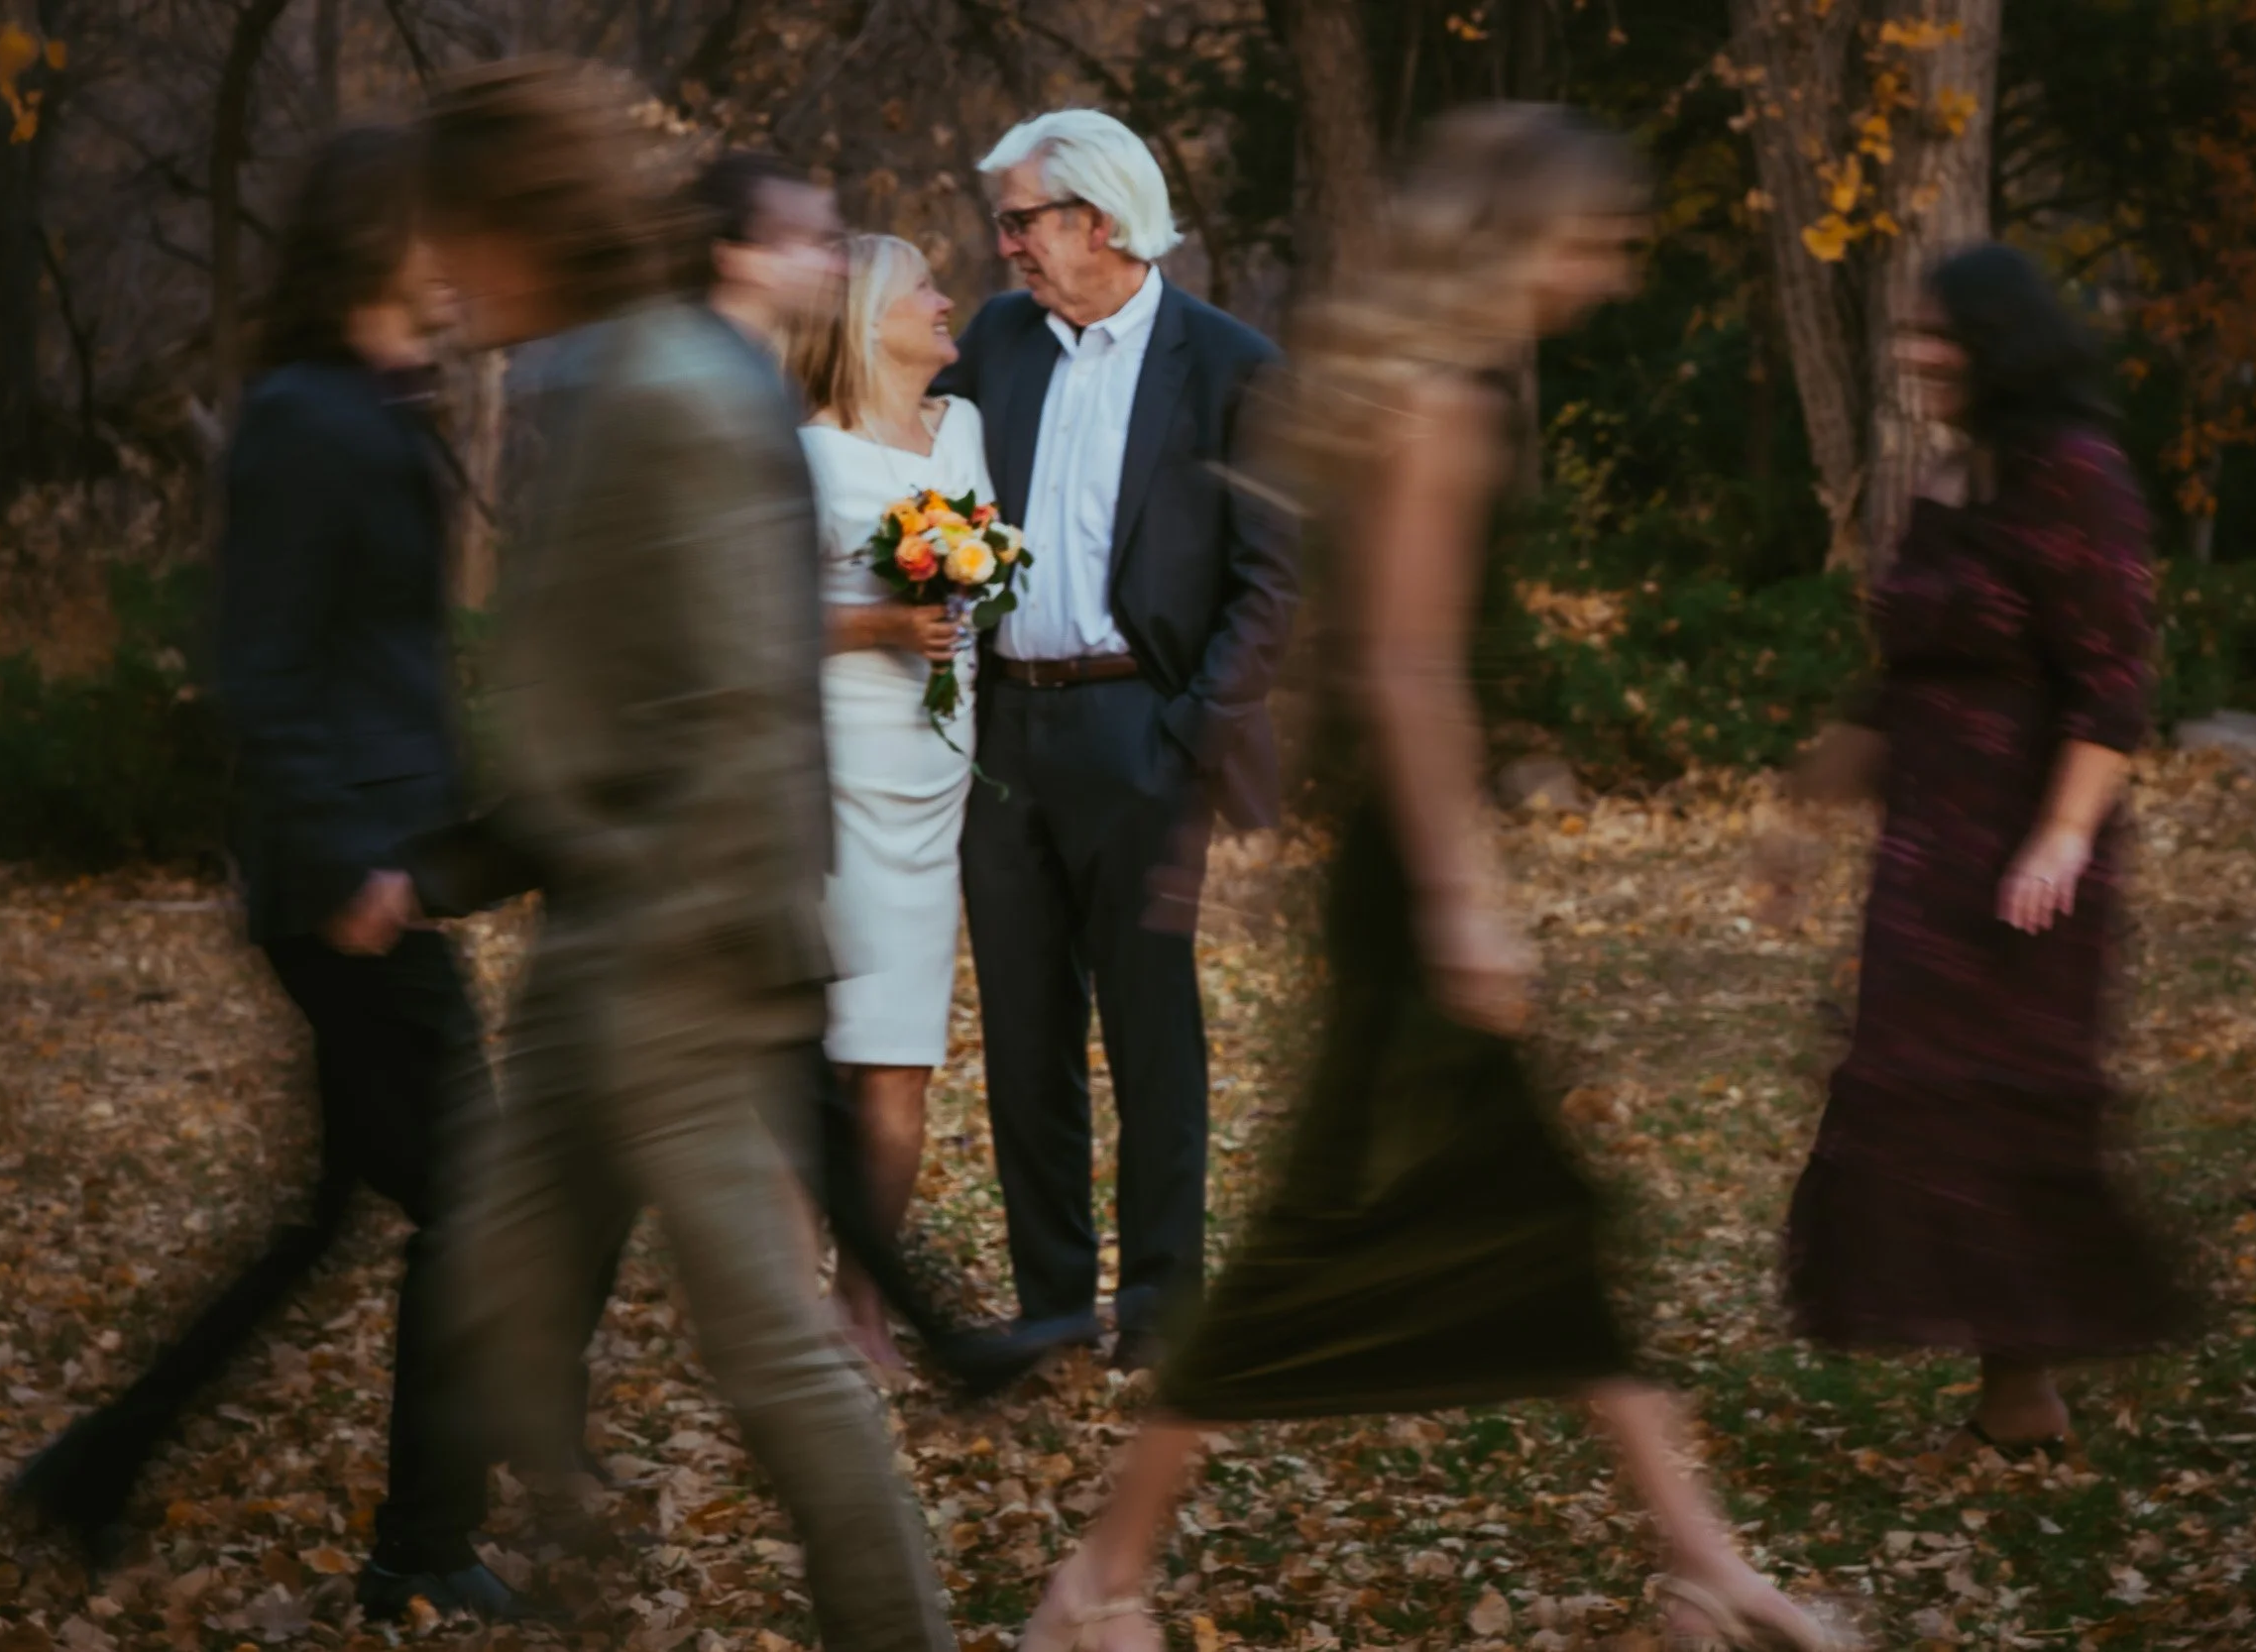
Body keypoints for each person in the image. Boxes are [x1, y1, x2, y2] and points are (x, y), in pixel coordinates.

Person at [1017, 107, 1840, 1652]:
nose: (1607, 270)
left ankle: (1705, 1566)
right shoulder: (1443, 403)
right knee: (1348, 1238)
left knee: (1547, 1226)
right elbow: (1404, 670)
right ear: (1520, 241)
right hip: (1415, 892)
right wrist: (1464, 899)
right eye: (1593, 239)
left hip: (1403, 876)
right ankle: (1097, 1578)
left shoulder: (1407, 386)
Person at [415, 60, 951, 1652]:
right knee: (499, 1288)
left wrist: (658, 910)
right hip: (610, 942)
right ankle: (578, 1577)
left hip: (673, 956)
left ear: (510, 218)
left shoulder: (665, 386)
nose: (444, 275)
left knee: (777, 1355)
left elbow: (737, 687)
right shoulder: (626, 372)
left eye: (453, 236)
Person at [5, 127, 522, 1621]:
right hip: (345, 886)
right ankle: (421, 1543)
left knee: (327, 1213)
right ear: (381, 238)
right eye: (439, 231)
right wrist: (357, 859)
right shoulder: (304, 414)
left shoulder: (370, 400)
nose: (455, 262)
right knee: (473, 1205)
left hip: (383, 864)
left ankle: (94, 1469)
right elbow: (263, 667)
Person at [1780, 242, 2188, 1455]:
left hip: (2026, 859)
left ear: (2001, 343)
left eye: (1936, 336)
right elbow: (1897, 668)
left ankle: (2028, 1391)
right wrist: (1796, 811)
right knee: (1920, 1102)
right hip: (1926, 855)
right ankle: (2009, 1397)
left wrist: (2058, 839)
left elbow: (2112, 689)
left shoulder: (2080, 477)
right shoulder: (1960, 474)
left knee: (2010, 1113)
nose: (1913, 355)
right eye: (1910, 334)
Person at [937, 109, 1297, 1371]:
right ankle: (1048, 1307)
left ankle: (1159, 1309)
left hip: (1140, 726)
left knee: (1151, 1028)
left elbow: (1275, 579)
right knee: (1025, 1032)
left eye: (1022, 220)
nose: (1005, 246)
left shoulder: (1233, 363)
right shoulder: (991, 341)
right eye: (1006, 223)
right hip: (1002, 734)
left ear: (1099, 219)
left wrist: (1189, 730)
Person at [788, 232, 996, 1371]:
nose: (944, 297)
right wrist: (877, 622)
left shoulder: (961, 431)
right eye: (923, 285)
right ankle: (781, 1307)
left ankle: (865, 1301)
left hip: (935, 768)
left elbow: (986, 568)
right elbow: (754, 621)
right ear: (868, 319)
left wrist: (977, 587)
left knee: (900, 1055)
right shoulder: (807, 456)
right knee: (819, 1044)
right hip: (834, 768)